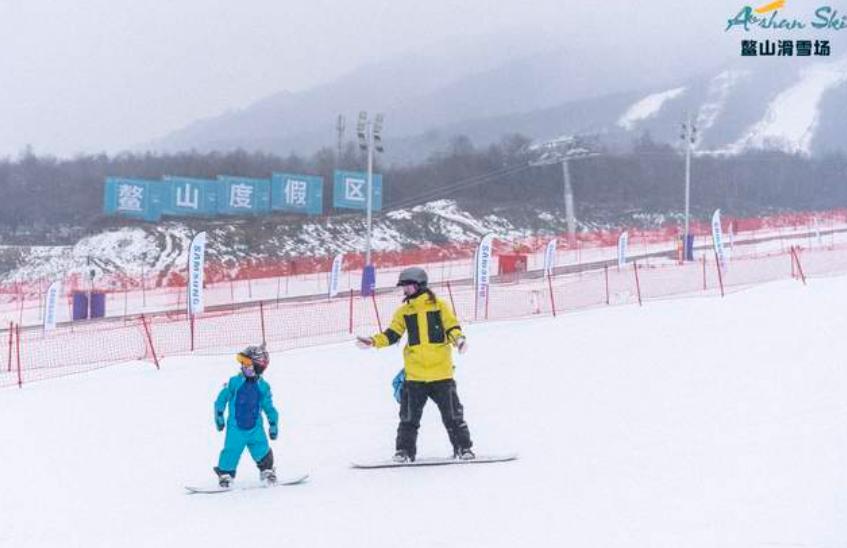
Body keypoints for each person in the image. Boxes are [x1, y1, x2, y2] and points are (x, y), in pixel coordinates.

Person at [356, 266, 474, 463]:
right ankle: (404, 451)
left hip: (441, 373)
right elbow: (392, 334)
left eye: (408, 286)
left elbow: (452, 327)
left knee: (453, 416)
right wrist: (372, 341)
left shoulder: (439, 306)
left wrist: (459, 341)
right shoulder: (404, 312)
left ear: (420, 285)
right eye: (404, 287)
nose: (405, 290)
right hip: (415, 375)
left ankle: (464, 448)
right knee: (408, 418)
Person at [213, 343, 279, 487]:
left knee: (262, 449)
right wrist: (219, 415)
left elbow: (269, 407)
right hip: (235, 428)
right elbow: (221, 399)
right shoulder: (234, 382)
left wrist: (273, 423)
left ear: (258, 367)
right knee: (231, 450)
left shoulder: (263, 387)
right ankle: (225, 475)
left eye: (247, 364)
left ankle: (267, 470)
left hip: (255, 428)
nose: (243, 366)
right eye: (242, 363)